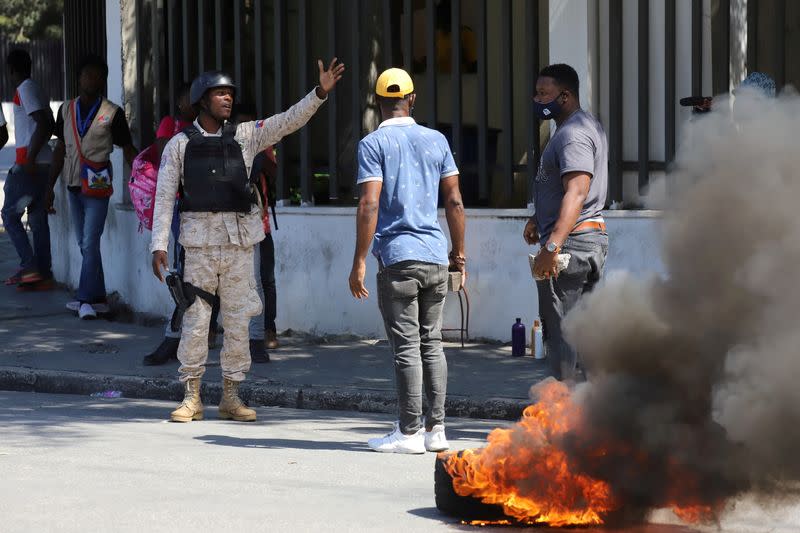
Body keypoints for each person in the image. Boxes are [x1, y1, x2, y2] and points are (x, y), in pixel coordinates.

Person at [151, 59, 344, 423]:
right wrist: (158, 244)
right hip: (199, 248)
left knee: (238, 322)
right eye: (220, 93)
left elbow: (287, 121)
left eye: (229, 93)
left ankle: (230, 395)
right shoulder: (178, 145)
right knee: (195, 320)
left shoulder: (245, 135)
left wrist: (319, 93)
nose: (227, 99)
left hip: (239, 245)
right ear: (201, 100)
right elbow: (164, 198)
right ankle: (191, 395)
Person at [348, 68, 466, 454]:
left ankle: (409, 431)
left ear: (378, 102)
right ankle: (437, 431)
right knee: (432, 344)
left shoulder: (372, 145)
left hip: (398, 258)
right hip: (434, 253)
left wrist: (360, 260)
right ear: (412, 99)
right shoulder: (437, 141)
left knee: (406, 347)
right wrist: (458, 255)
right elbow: (454, 202)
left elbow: (370, 203)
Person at [523, 63, 609, 382]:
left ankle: (564, 418)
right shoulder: (582, 127)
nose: (537, 99)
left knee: (564, 335)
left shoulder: (572, 134)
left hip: (571, 245)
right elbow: (565, 188)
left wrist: (552, 245)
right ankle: (588, 415)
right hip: (585, 240)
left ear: (565, 95)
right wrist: (538, 217)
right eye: (537, 92)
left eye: (544, 93)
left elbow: (577, 191)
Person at [48, 54, 138, 320]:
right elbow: (60, 149)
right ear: (79, 78)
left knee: (89, 241)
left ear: (103, 81)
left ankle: (84, 298)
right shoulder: (65, 109)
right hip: (73, 185)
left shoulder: (112, 113)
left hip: (97, 186)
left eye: (98, 75)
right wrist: (48, 189)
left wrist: (147, 177)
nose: (93, 79)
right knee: (84, 243)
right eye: (88, 74)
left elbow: (128, 148)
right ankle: (98, 297)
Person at [143, 83, 214, 366]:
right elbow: (167, 164)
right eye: (187, 97)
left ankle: (196, 340)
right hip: (185, 213)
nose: (191, 102)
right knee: (184, 279)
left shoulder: (217, 131)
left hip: (215, 217)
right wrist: (158, 243)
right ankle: (173, 339)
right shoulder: (176, 131)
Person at [2, 49, 55, 290]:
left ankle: (29, 265)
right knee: (36, 217)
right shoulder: (38, 89)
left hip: (29, 163)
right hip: (44, 162)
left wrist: (31, 157)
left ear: (11, 70)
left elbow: (43, 124)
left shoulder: (24, 88)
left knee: (9, 215)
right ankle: (43, 274)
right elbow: (51, 123)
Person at [233, 103, 279, 363]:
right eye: (244, 124)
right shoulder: (227, 143)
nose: (249, 128)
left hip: (258, 222)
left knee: (263, 280)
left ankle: (263, 332)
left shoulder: (262, 141)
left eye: (253, 123)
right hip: (229, 223)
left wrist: (261, 152)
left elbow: (273, 173)